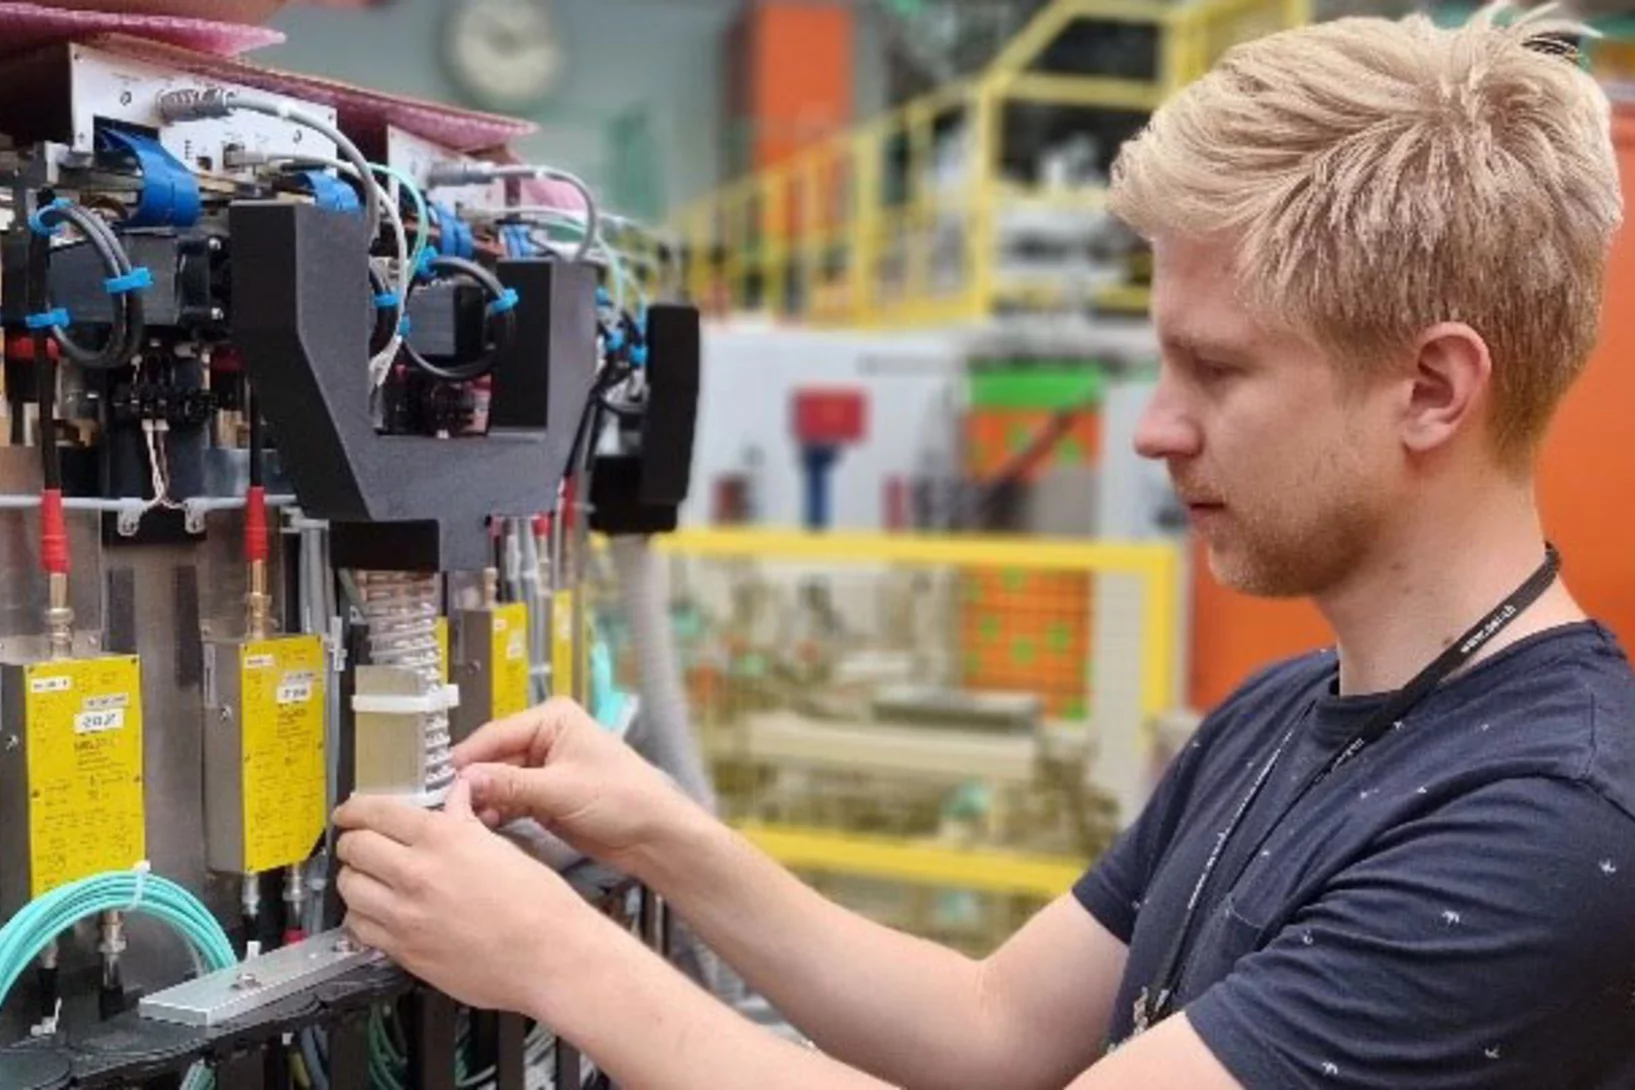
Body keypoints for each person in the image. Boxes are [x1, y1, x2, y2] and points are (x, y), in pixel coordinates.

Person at [331, 6, 1635, 1088]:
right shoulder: (1286, 708)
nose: (1155, 428)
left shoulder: (1545, 823)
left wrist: (554, 955)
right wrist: (664, 836)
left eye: (1216, 369)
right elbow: (991, 1025)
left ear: (1430, 388)